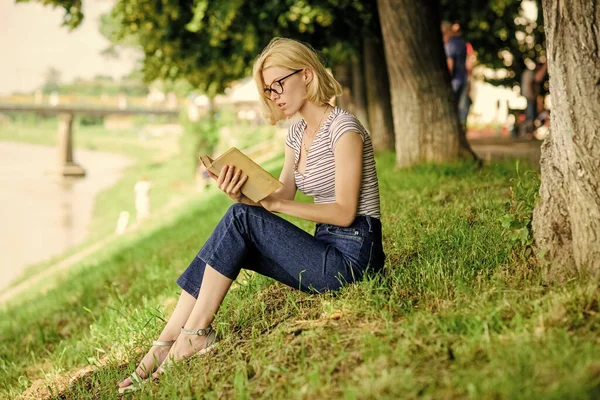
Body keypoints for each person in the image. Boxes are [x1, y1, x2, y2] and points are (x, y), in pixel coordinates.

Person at [117, 37, 386, 393]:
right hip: (324, 249)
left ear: (306, 75)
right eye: (267, 90)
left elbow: (344, 211)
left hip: (354, 257)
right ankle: (169, 339)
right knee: (239, 214)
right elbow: (283, 194)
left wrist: (269, 207)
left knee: (241, 218)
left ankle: (193, 335)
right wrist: (242, 193)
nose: (274, 95)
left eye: (278, 84)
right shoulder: (297, 134)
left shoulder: (344, 129)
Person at [441, 21, 468, 122]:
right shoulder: (462, 42)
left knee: (451, 108)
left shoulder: (450, 45)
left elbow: (450, 64)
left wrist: (446, 80)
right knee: (460, 109)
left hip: (454, 81)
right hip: (462, 79)